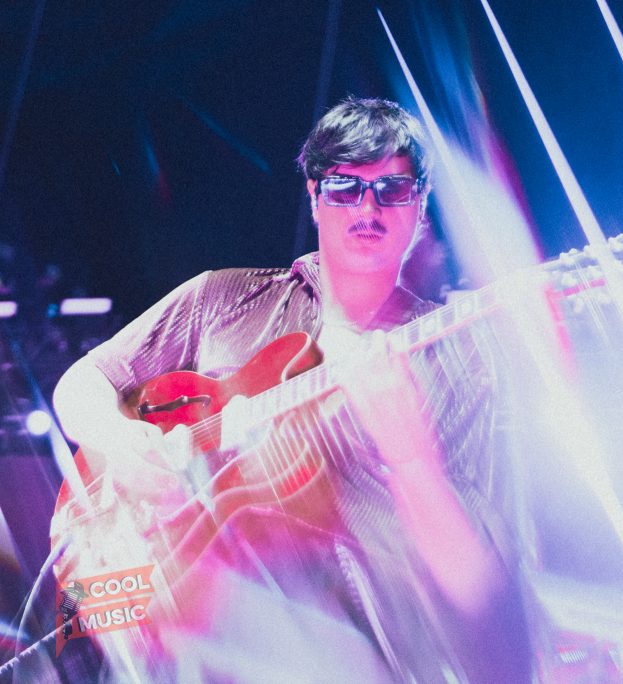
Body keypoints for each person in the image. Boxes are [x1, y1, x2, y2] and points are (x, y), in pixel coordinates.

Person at [51, 96, 533, 682]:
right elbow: (82, 384)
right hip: (156, 599)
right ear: (313, 194)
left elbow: (481, 592)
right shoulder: (225, 300)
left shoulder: (457, 360)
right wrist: (123, 446)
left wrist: (413, 464)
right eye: (345, 188)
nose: (368, 208)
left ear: (421, 202)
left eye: (392, 189)